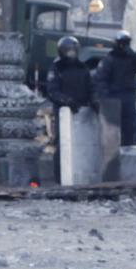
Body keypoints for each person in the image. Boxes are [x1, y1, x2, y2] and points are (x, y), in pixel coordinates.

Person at [47, 36, 96, 183]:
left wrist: (94, 101)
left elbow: (91, 87)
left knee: (84, 144)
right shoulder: (56, 68)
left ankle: (82, 175)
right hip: (64, 112)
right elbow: (52, 90)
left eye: (74, 51)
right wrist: (66, 101)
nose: (71, 54)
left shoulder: (83, 68)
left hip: (82, 112)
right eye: (68, 51)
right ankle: (61, 178)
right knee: (63, 144)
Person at [94, 30, 136, 146]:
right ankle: (112, 159)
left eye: (126, 43)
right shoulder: (109, 59)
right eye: (121, 43)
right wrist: (105, 99)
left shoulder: (132, 58)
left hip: (129, 96)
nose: (123, 46)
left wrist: (134, 55)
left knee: (129, 127)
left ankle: (128, 151)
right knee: (112, 130)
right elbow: (101, 80)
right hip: (113, 97)